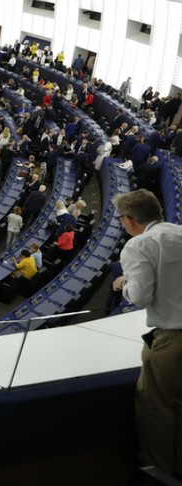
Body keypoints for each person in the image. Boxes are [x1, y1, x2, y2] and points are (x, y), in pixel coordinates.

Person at [111, 189, 182, 476]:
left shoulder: (138, 246)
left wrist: (123, 284)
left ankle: (163, 469)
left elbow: (140, 296)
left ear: (129, 220)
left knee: (157, 405)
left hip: (172, 338)